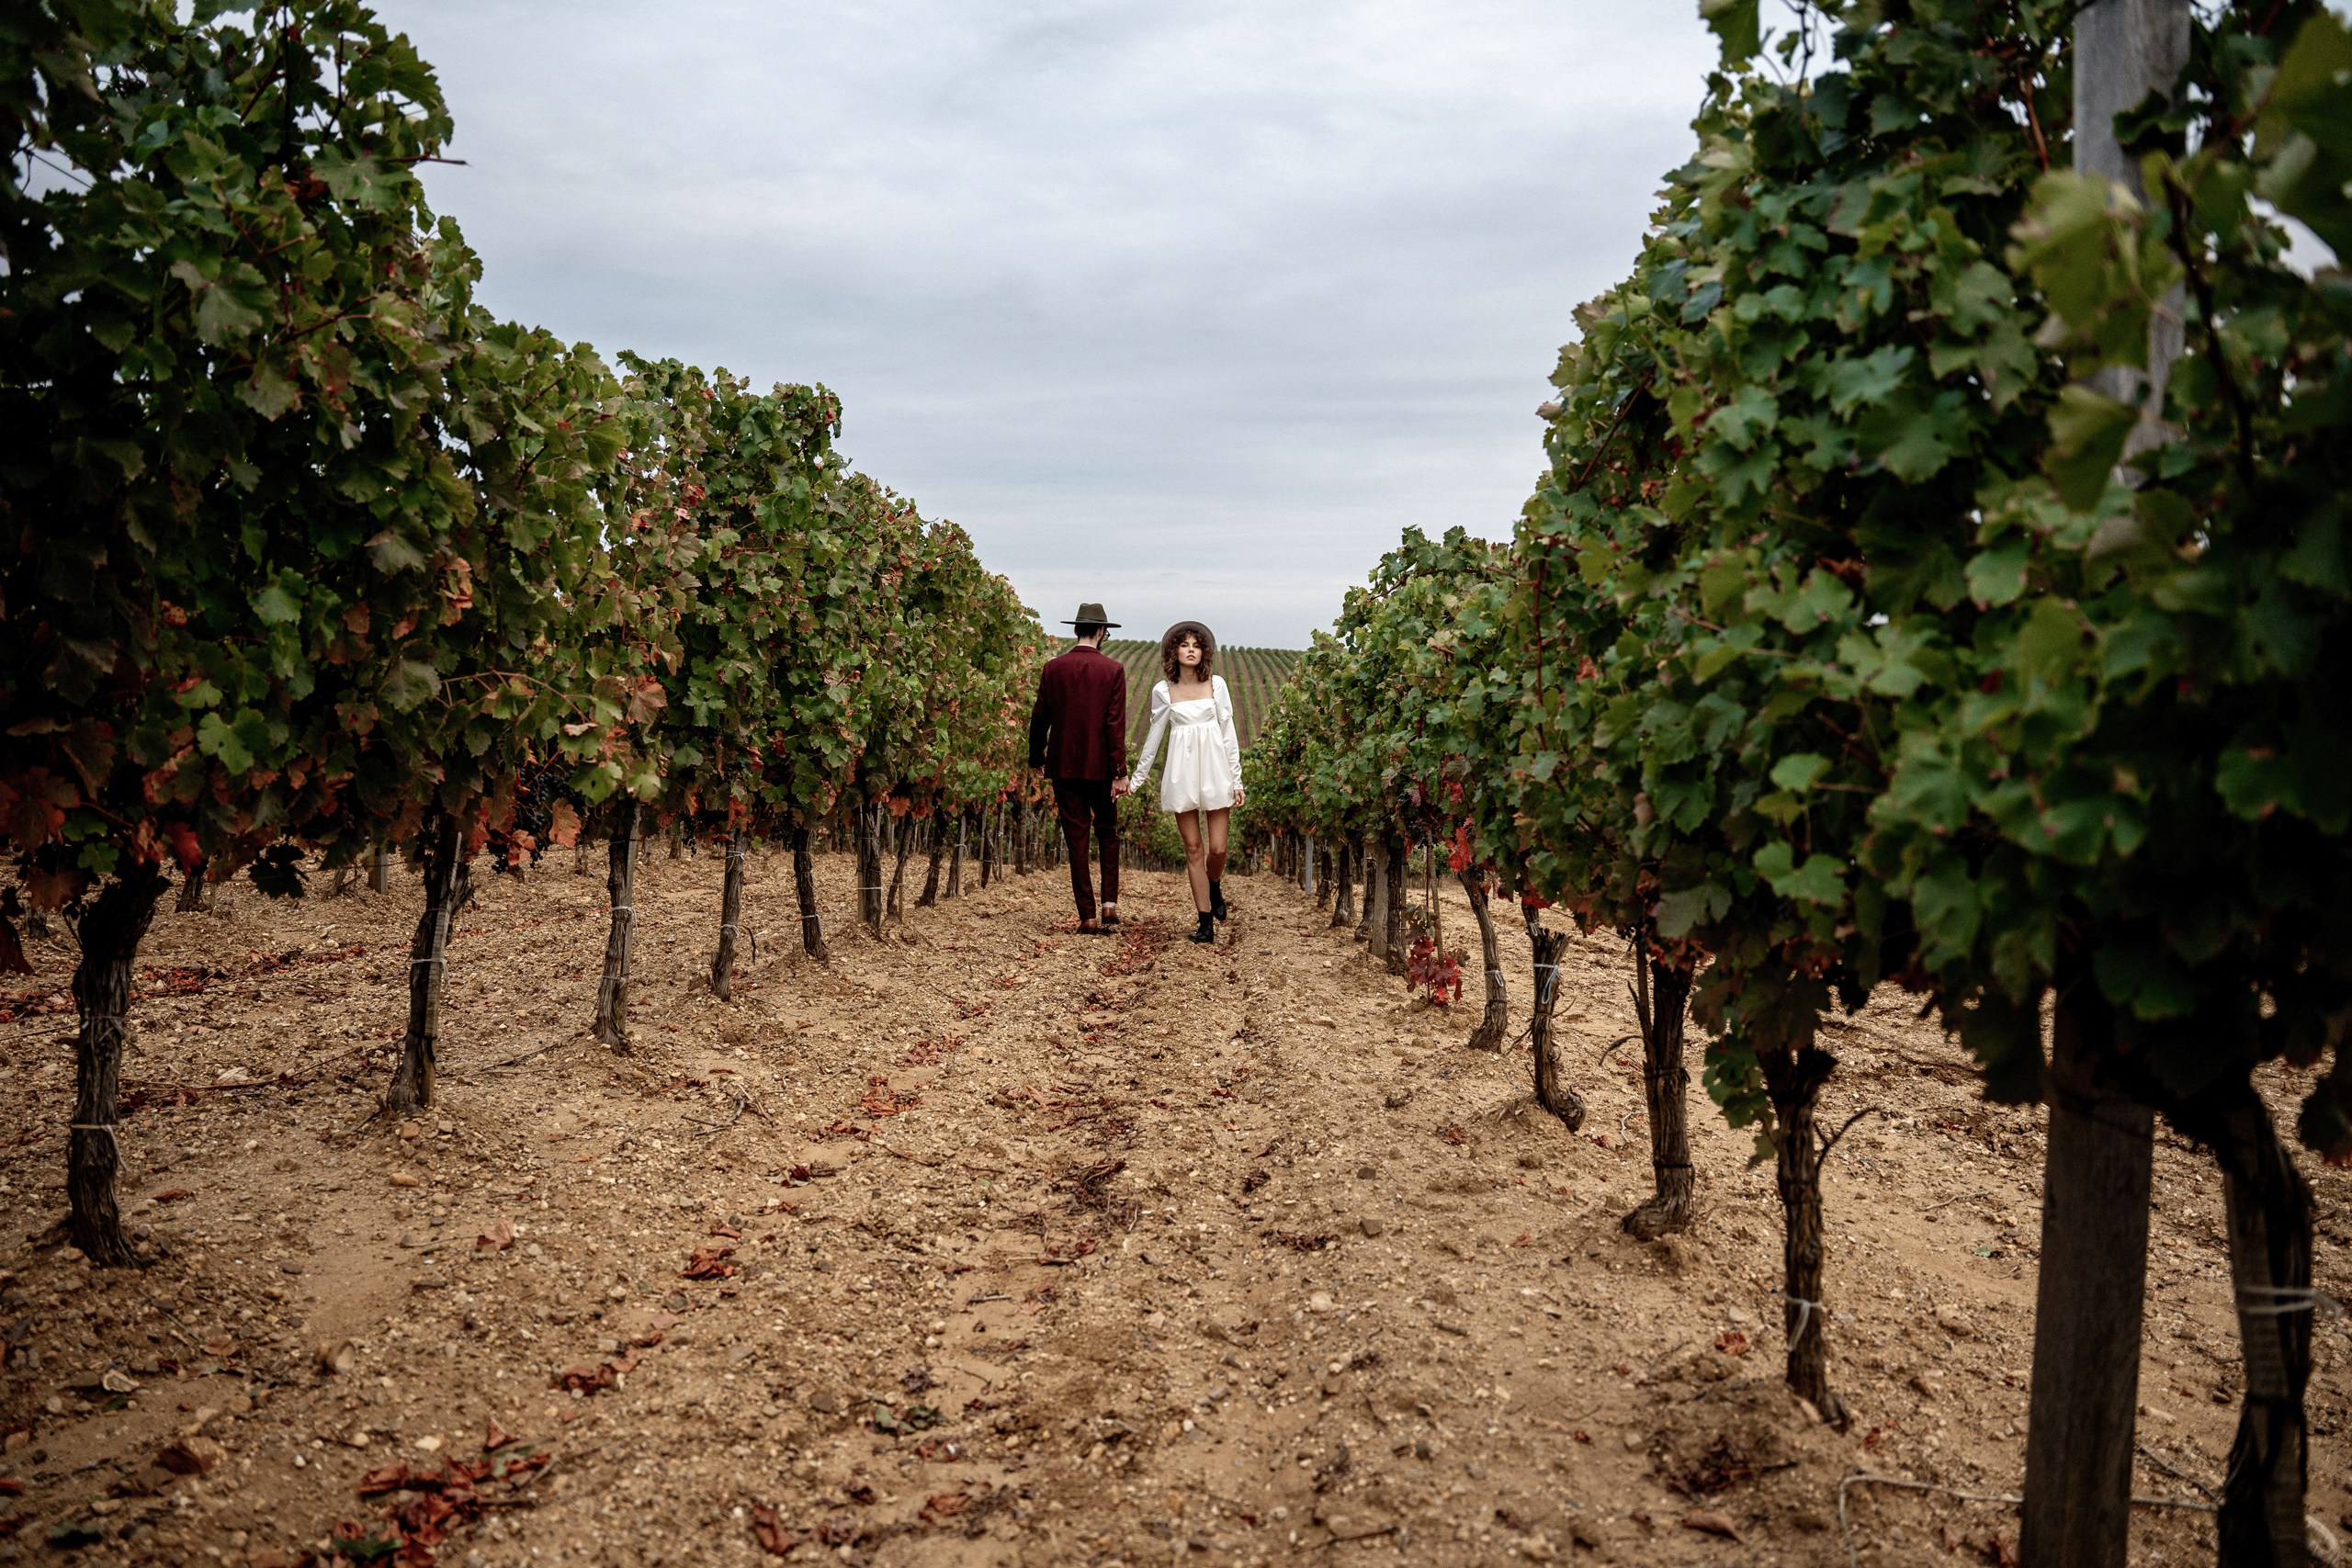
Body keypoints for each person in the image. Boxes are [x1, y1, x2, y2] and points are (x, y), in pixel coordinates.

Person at [1127, 621, 1244, 944]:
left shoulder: (1217, 685)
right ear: (1174, 652)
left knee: (1218, 849)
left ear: (1204, 652)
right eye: (1184, 645)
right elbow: (1154, 737)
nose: (1191, 650)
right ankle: (1205, 923)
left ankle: (1214, 885)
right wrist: (1137, 779)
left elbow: (1229, 733)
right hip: (1182, 773)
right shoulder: (1163, 691)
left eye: (1196, 645)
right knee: (1193, 848)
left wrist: (1237, 779)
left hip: (1215, 770)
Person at [1027, 603, 1128, 934]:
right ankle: (1109, 904)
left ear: (1075, 630)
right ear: (1101, 632)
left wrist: (1037, 759)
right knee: (1108, 832)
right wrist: (1119, 771)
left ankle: (1087, 916)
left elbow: (1039, 719)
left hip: (1064, 767)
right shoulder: (1113, 670)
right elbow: (1114, 725)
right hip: (1101, 769)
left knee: (1077, 840)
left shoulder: (1053, 668)